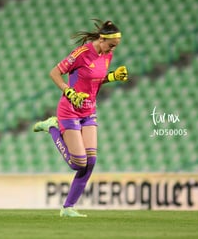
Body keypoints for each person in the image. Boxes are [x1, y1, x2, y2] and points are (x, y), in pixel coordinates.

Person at [33, 19, 128, 217]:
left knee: (91, 161)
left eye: (115, 47)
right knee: (78, 163)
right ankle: (52, 126)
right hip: (70, 110)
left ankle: (68, 208)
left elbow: (96, 78)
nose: (112, 50)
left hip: (89, 111)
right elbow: (55, 73)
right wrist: (69, 92)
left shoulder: (106, 55)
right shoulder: (82, 53)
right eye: (111, 45)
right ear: (101, 39)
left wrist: (113, 77)